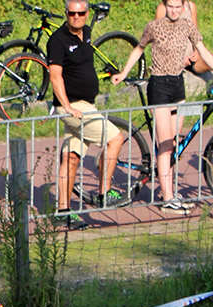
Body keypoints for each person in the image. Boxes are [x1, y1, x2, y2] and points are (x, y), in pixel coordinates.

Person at [113, 0, 213, 213]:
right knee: (165, 144)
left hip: (178, 85)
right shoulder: (154, 26)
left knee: (175, 143)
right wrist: (123, 73)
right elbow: (139, 49)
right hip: (159, 86)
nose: (175, 11)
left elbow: (203, 52)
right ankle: (167, 198)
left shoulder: (187, 26)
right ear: (165, 6)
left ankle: (167, 189)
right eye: (171, 7)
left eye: (178, 7)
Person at [47, 0, 126, 229]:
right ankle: (103, 192)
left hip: (88, 105)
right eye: (72, 13)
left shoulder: (87, 32)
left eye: (81, 13)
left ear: (87, 13)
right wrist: (68, 107)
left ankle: (63, 211)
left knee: (71, 156)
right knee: (115, 138)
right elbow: (55, 77)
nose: (77, 17)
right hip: (73, 108)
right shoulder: (57, 41)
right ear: (66, 13)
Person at [155, 0, 212, 83]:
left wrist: (196, 51)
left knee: (209, 59)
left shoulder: (190, 6)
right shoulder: (162, 8)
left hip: (191, 58)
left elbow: (195, 34)